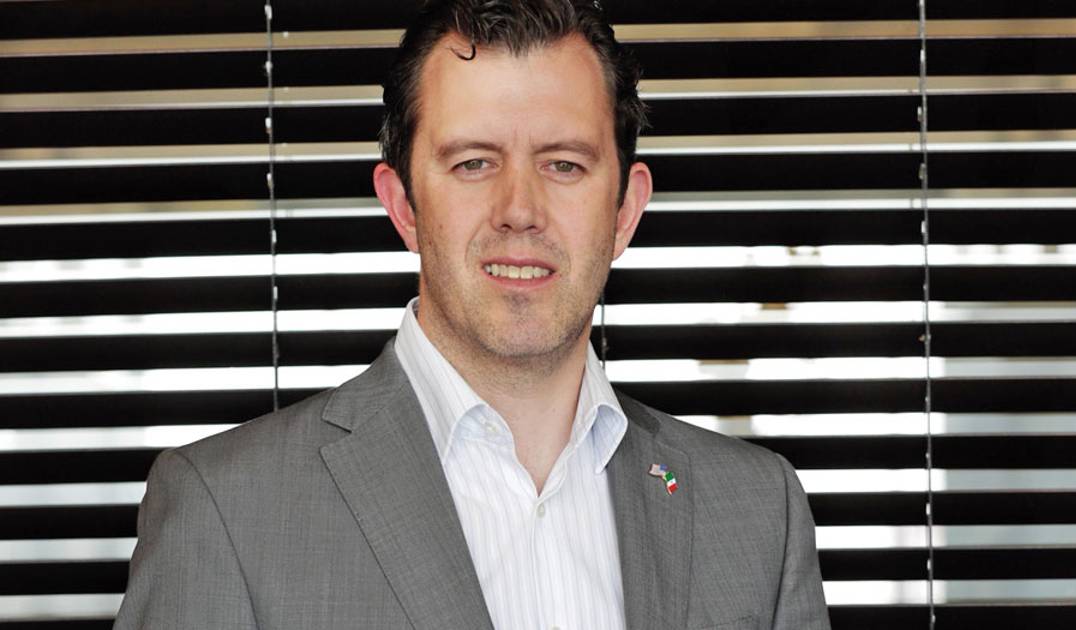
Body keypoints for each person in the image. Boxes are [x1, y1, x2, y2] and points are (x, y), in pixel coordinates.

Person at [115, 1, 830, 628]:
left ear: (626, 210)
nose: (519, 210)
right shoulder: (227, 510)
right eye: (473, 163)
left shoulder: (757, 511)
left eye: (564, 164)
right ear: (403, 206)